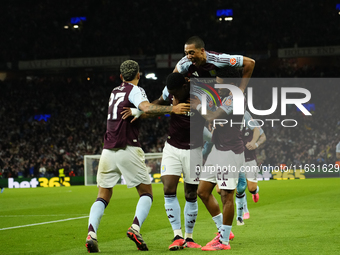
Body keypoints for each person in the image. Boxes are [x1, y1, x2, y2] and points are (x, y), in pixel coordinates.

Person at [85, 60, 190, 253]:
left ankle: (91, 233)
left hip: (107, 150)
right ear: (138, 75)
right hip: (128, 147)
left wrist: (138, 111)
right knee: (146, 193)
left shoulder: (114, 91)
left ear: (120, 76)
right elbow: (148, 107)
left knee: (103, 194)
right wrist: (172, 109)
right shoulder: (135, 90)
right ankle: (135, 227)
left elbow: (139, 110)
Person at [149, 72, 206, 250]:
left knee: (191, 194)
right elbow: (152, 107)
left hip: (194, 149)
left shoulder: (200, 95)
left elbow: (216, 115)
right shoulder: (171, 94)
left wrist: (201, 108)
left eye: (175, 93)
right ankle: (177, 236)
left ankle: (189, 237)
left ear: (185, 85)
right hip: (172, 147)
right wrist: (149, 110)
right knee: (168, 188)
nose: (173, 96)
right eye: (170, 93)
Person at [191, 66, 245, 251]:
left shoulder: (234, 98)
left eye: (219, 81)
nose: (216, 84)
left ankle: (223, 242)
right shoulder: (223, 96)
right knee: (203, 191)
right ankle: (223, 231)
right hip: (217, 150)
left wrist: (197, 106)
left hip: (230, 152)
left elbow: (213, 115)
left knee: (226, 195)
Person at [174, 36, 255, 93]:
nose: (188, 57)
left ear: (202, 51)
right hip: (204, 96)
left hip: (224, 94)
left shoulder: (219, 59)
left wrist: (242, 88)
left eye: (192, 53)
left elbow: (250, 63)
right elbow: (172, 79)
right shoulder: (185, 62)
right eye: (186, 53)